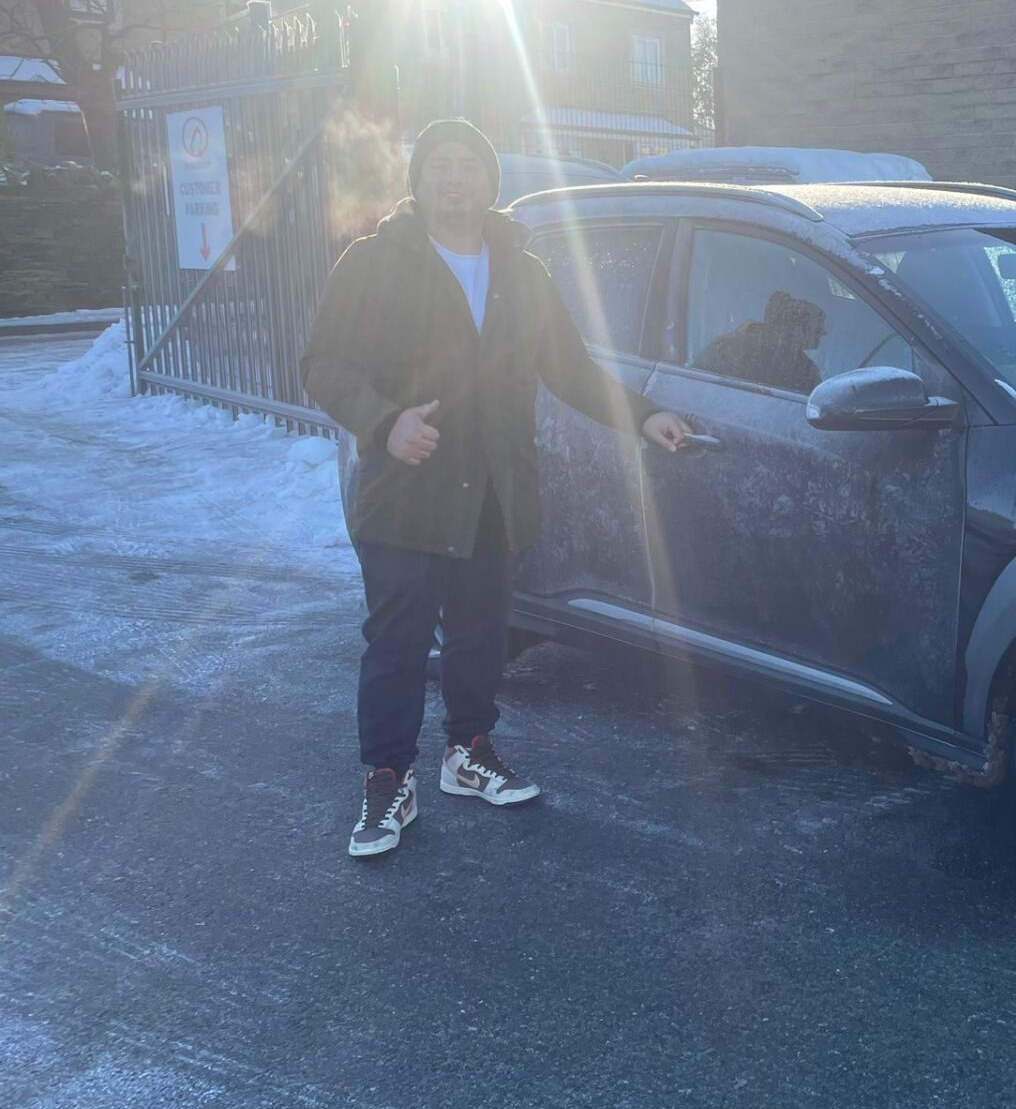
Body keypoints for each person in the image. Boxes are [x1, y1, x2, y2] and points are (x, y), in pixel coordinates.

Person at [301, 119, 690, 858]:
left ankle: (467, 753)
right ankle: (387, 780)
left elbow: (570, 369)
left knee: (481, 634)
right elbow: (324, 363)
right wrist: (384, 424)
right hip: (407, 485)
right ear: (417, 182)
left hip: (494, 489)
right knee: (398, 644)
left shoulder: (522, 270)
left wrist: (644, 415)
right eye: (439, 166)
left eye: (469, 166)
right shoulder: (373, 262)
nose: (455, 179)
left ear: (490, 182)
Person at [692, 288, 828, 394]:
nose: (823, 332)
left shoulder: (802, 365)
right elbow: (693, 384)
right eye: (816, 326)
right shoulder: (732, 350)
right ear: (792, 328)